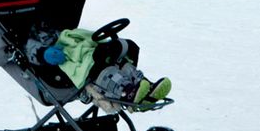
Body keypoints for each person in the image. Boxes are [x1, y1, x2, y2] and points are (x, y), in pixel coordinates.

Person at [25, 25, 171, 109]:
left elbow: (77, 37)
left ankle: (144, 87)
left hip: (77, 52)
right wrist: (43, 53)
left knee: (116, 53)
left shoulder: (55, 25)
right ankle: (128, 92)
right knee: (100, 63)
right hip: (57, 70)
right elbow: (28, 49)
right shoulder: (28, 36)